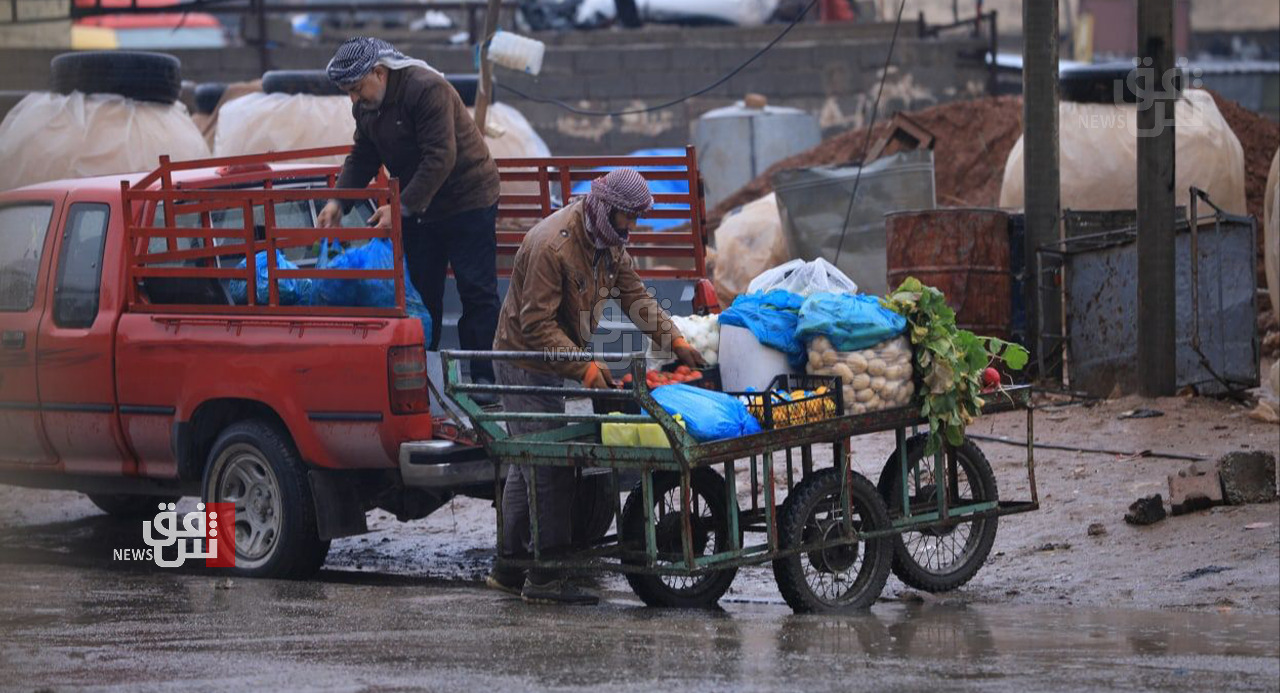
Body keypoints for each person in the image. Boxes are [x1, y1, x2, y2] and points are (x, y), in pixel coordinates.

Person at [486, 168, 706, 605]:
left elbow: (636, 298)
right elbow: (536, 326)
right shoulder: (554, 246)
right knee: (546, 464)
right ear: (607, 209)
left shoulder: (609, 244)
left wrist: (675, 340)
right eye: (630, 217)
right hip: (525, 360)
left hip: (560, 358)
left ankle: (510, 569)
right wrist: (585, 367)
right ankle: (545, 578)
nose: (633, 227)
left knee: (526, 460)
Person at [318, 37, 501, 388]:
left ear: (379, 72)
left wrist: (399, 208)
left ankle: (484, 383)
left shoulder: (425, 89)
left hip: (467, 198)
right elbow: (363, 155)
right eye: (348, 93)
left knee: (476, 292)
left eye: (357, 89)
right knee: (420, 294)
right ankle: (426, 383)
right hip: (420, 206)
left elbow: (440, 157)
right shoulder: (366, 106)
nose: (354, 100)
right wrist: (338, 202)